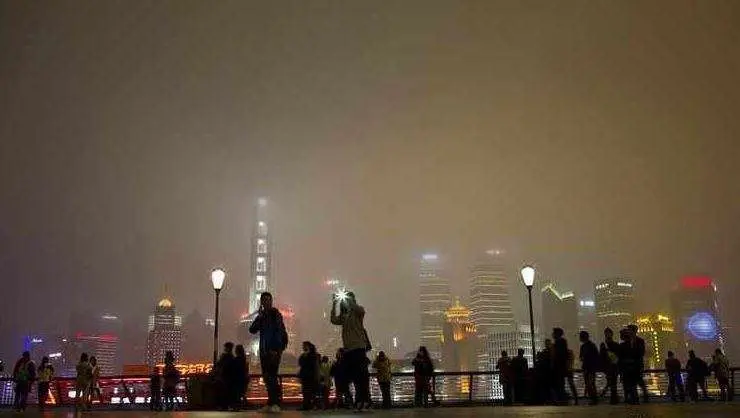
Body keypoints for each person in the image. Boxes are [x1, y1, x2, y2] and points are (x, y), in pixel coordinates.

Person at [330, 291, 372, 411]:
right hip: (348, 350)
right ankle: (360, 401)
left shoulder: (358, 311)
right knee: (352, 376)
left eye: (349, 298)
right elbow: (333, 319)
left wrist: (349, 301)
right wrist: (334, 303)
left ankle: (363, 401)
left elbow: (360, 310)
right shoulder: (344, 316)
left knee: (361, 376)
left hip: (359, 348)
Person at [249, 292, 289, 413]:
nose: (266, 302)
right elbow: (252, 330)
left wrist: (275, 349)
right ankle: (271, 403)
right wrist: (259, 316)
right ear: (261, 302)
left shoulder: (275, 314)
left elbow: (278, 332)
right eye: (264, 300)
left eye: (268, 300)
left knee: (272, 376)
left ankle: (276, 403)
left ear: (271, 301)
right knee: (267, 377)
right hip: (264, 351)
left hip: (273, 351)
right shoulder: (263, 316)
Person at [627, 324, 649, 403]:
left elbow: (641, 352)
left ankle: (643, 397)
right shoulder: (627, 341)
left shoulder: (640, 341)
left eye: (629, 330)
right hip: (630, 366)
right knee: (633, 382)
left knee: (639, 381)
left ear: (634, 331)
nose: (628, 332)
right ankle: (635, 398)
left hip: (637, 365)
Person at [618, 328, 640, 404]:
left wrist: (620, 370)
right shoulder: (633, 344)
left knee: (627, 385)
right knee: (633, 385)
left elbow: (620, 358)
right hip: (633, 368)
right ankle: (635, 400)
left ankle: (629, 399)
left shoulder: (622, 346)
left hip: (626, 369)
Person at [599, 328, 620, 404]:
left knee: (611, 383)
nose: (607, 335)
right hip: (611, 367)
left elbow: (601, 356)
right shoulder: (615, 345)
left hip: (611, 368)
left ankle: (612, 398)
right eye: (606, 333)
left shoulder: (604, 345)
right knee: (612, 383)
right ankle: (613, 398)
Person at [579, 331, 599, 405]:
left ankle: (593, 399)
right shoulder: (591, 345)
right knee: (590, 384)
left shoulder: (586, 346)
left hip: (589, 368)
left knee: (589, 384)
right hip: (589, 368)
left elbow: (581, 357)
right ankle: (594, 399)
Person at [298, 341, 320, 410]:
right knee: (306, 391)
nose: (303, 347)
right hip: (307, 376)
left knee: (309, 391)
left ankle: (309, 405)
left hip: (309, 376)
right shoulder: (307, 355)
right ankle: (307, 405)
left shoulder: (312, 355)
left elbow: (310, 365)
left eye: (304, 346)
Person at [551, 328, 569, 404]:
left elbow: (559, 355)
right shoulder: (561, 342)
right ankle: (561, 399)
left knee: (559, 383)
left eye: (554, 333)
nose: (552, 334)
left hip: (559, 367)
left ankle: (561, 399)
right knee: (560, 383)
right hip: (560, 367)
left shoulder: (560, 342)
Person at [534, 339, 553, 404]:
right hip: (547, 372)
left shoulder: (548, 352)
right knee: (547, 386)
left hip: (547, 372)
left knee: (546, 386)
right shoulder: (548, 351)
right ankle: (549, 399)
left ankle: (547, 399)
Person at [233, 344, 249, 410]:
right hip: (244, 379)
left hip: (238, 379)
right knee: (242, 393)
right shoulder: (244, 360)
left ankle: (237, 405)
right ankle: (244, 405)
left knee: (238, 393)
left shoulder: (236, 360)